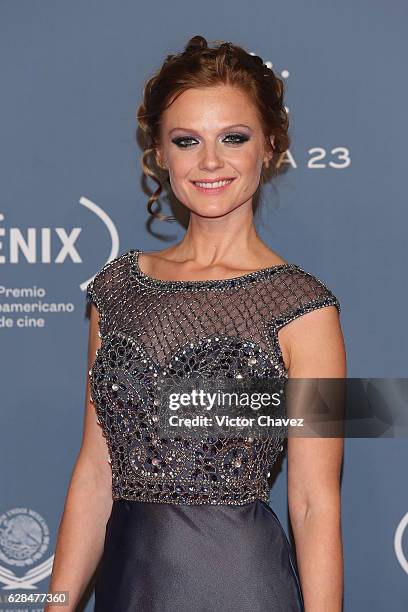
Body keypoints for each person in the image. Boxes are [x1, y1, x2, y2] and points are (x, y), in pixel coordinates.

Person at [46, 35, 346, 611]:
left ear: (270, 146)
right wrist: (56, 604)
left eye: (233, 138)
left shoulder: (304, 308)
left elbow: (313, 503)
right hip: (129, 587)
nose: (210, 162)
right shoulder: (116, 290)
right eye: (187, 141)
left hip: (242, 586)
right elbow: (92, 473)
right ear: (160, 152)